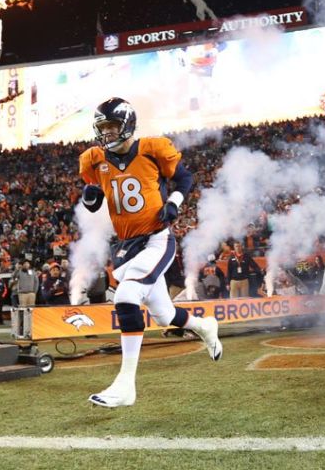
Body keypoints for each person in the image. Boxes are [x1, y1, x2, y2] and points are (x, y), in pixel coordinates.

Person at [79, 97, 221, 408]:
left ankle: (125, 386)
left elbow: (184, 177)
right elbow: (94, 200)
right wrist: (90, 196)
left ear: (127, 124)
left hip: (156, 240)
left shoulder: (151, 149)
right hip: (127, 246)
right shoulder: (93, 159)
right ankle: (205, 326)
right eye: (102, 127)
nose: (106, 132)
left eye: (112, 126)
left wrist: (174, 203)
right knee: (165, 315)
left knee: (126, 298)